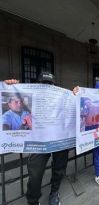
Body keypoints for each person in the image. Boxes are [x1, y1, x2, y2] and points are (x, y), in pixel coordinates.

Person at [21, 72, 69, 205]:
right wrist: (9, 87)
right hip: (40, 143)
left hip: (59, 140)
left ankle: (54, 192)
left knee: (59, 169)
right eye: (44, 84)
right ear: (38, 85)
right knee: (35, 175)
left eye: (50, 84)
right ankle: (32, 200)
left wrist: (77, 93)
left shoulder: (62, 98)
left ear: (54, 86)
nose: (47, 87)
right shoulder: (31, 98)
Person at [73, 82, 99, 187]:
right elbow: (81, 114)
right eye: (87, 101)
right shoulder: (87, 105)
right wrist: (76, 92)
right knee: (98, 151)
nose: (88, 102)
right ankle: (98, 175)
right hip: (92, 129)